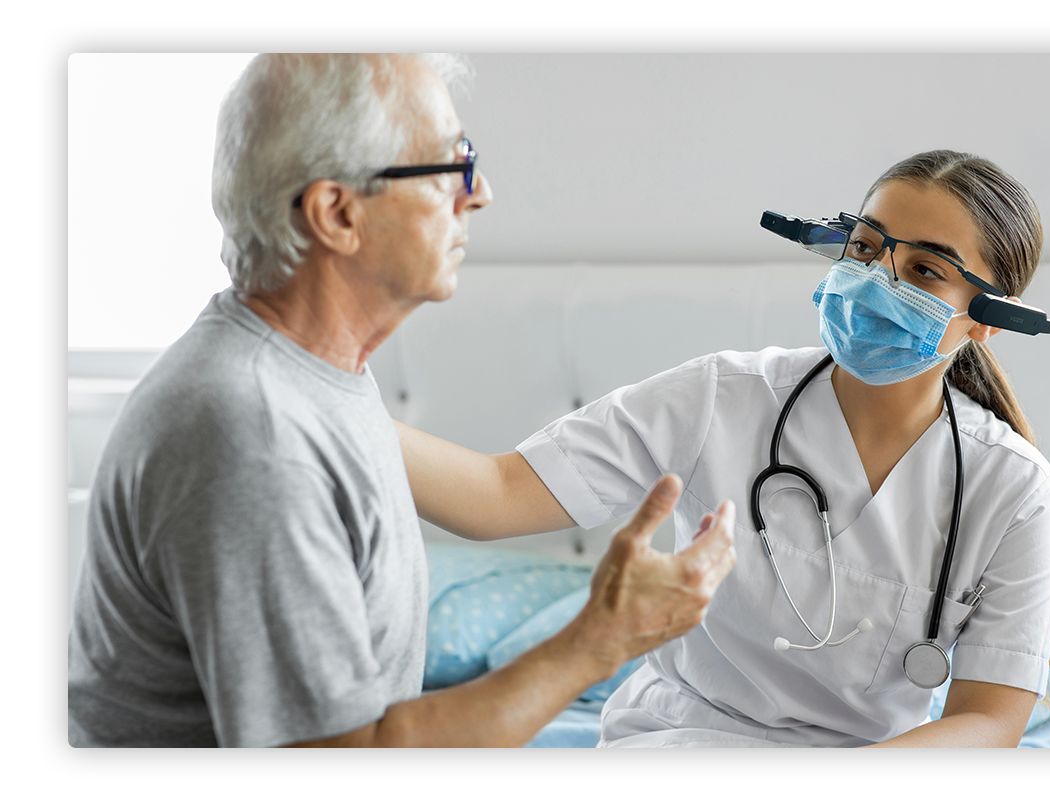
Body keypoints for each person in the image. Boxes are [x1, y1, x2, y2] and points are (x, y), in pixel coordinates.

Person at [66, 53, 737, 749]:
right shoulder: (254, 434)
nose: (479, 195)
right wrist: (596, 641)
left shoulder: (316, 375)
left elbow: (493, 492)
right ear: (338, 214)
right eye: (452, 166)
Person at [395, 150, 1050, 747]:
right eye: (864, 248)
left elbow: (990, 719)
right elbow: (499, 495)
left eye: (924, 269)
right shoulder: (723, 396)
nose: (878, 280)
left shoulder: (1014, 488)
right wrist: (319, 406)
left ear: (988, 317)